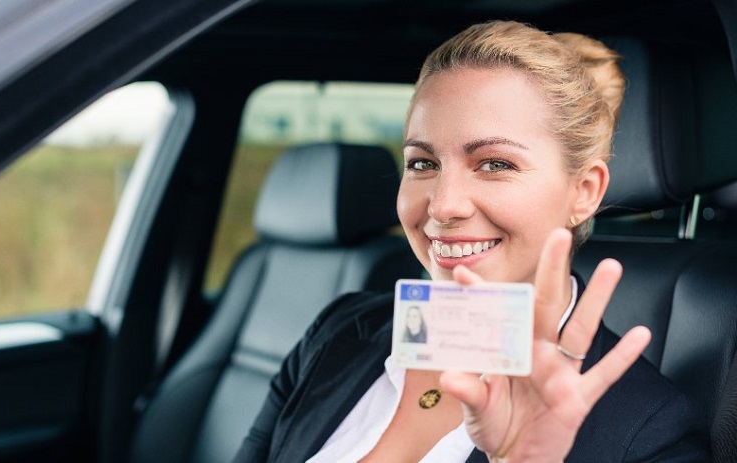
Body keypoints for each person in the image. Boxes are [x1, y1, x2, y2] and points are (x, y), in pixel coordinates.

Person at [233, 20, 710, 462]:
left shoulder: (649, 432)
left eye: (496, 164)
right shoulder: (337, 332)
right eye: (423, 163)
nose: (443, 205)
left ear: (583, 191)